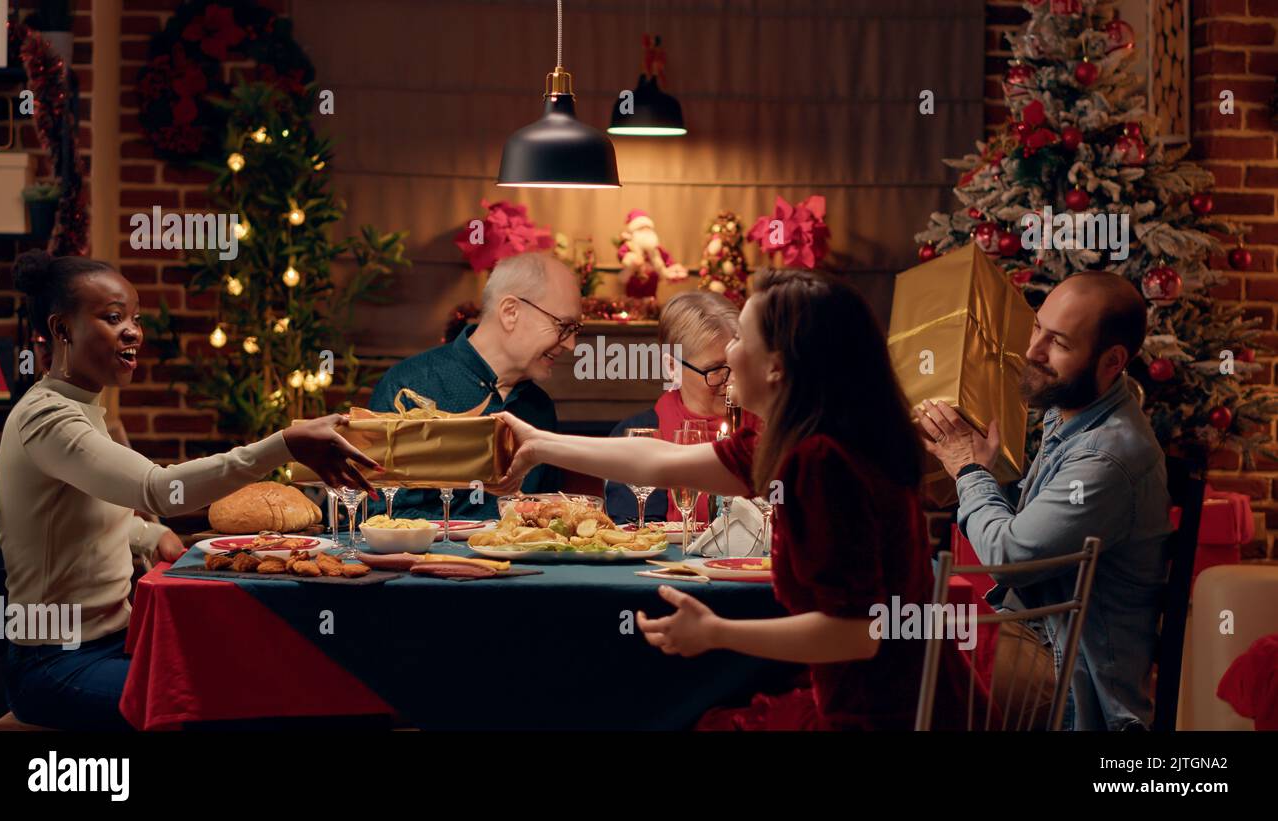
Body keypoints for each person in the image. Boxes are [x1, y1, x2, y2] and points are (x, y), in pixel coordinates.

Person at [492, 269, 980, 730]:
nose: (730, 351)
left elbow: (855, 633)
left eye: (741, 339)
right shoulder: (800, 438)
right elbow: (657, 461)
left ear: (776, 367)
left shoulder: (822, 460)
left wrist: (715, 631)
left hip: (884, 717)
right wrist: (538, 443)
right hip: (891, 700)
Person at [0, 250, 379, 731]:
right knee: (247, 704)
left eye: (134, 318)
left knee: (281, 676)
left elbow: (74, 512)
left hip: (116, 641)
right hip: (54, 666)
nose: (133, 331)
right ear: (62, 329)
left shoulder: (82, 409)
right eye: (113, 318)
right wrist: (283, 444)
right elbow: (159, 490)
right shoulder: (47, 418)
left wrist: (145, 537)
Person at [919, 271, 1172, 731]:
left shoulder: (1108, 456)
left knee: (907, 667)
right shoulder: (1074, 415)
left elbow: (1007, 558)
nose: (1032, 351)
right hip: (1033, 637)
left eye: (1058, 342)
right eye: (1037, 326)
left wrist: (969, 470)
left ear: (1112, 360)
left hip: (1069, 682)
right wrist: (987, 469)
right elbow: (1040, 528)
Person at [370, 253, 579, 520]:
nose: (571, 344)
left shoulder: (540, 407)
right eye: (563, 326)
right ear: (510, 312)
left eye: (576, 329)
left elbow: (547, 514)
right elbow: (384, 516)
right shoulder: (410, 387)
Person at [605, 291, 739, 525]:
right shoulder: (639, 433)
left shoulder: (769, 429)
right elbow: (636, 535)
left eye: (739, 363)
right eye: (716, 369)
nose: (733, 380)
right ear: (672, 367)